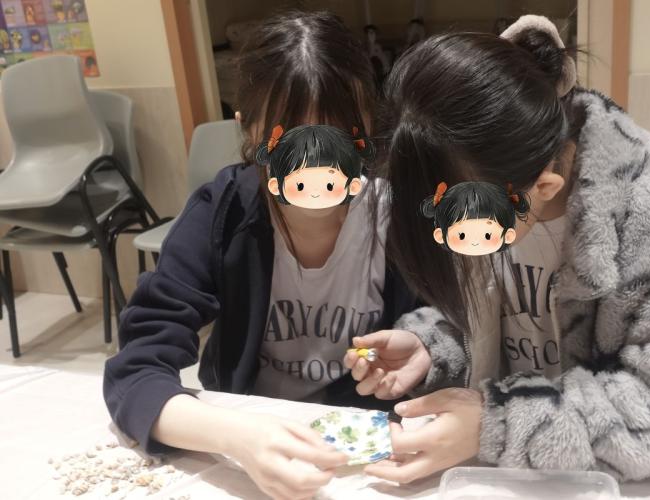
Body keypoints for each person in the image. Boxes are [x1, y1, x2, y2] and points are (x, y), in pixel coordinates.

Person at [347, 15, 650, 483]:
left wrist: (495, 425)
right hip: (535, 478)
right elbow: (508, 322)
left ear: (546, 186)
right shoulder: (479, 188)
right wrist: (436, 345)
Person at [103, 11, 444, 500]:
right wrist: (236, 437)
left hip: (363, 452)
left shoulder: (401, 219)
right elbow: (135, 371)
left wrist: (417, 353)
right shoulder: (221, 213)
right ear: (249, 132)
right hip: (245, 430)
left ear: (366, 130)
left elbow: (450, 339)